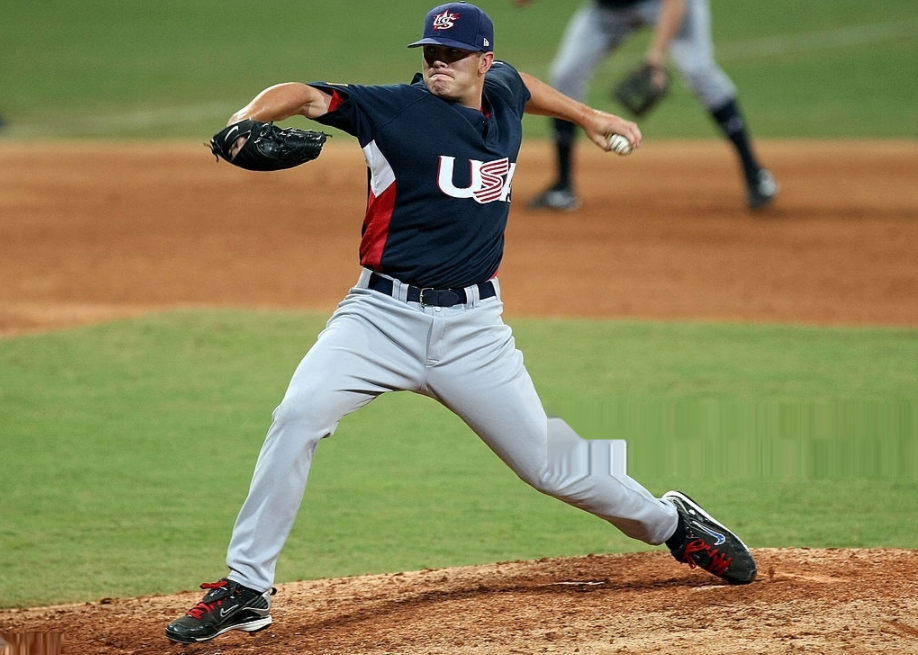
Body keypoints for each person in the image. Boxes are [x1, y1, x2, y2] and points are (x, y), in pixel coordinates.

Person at [165, 2, 756, 644]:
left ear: (484, 61)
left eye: (451, 55)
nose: (438, 64)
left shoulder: (501, 90)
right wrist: (244, 121)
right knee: (298, 416)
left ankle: (672, 524)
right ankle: (246, 587)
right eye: (429, 54)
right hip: (377, 319)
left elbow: (527, 87)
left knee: (549, 466)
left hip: (473, 331)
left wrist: (589, 116)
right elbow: (304, 95)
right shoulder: (392, 108)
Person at [517, 0, 779, 211]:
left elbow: (674, 4)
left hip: (665, 5)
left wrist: (655, 59)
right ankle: (562, 188)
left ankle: (756, 175)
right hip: (608, 12)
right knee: (566, 74)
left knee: (699, 71)